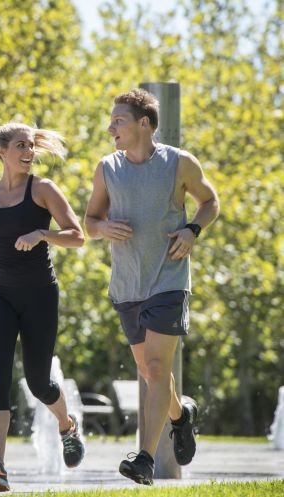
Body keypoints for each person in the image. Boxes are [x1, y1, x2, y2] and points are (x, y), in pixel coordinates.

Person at [84, 88, 220, 485]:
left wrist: (193, 230)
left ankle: (144, 458)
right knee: (148, 370)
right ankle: (182, 416)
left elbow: (209, 201)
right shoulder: (106, 167)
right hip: (127, 285)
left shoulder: (179, 163)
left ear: (144, 123)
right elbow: (90, 221)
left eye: (118, 121)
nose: (111, 128)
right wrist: (102, 228)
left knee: (158, 367)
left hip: (169, 280)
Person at [0, 122, 85, 492]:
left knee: (38, 382)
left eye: (31, 145)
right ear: (2, 152)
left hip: (39, 296)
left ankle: (67, 426)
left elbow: (77, 236)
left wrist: (42, 233)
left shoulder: (43, 189)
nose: (28, 152)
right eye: (20, 146)